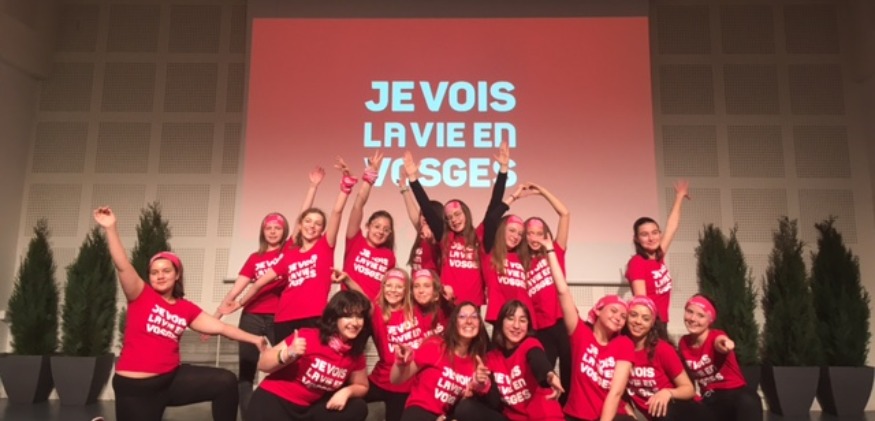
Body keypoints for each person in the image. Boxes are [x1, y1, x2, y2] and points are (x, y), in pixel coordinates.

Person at [93, 207, 267, 421]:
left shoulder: (185, 308)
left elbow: (221, 327)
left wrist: (255, 339)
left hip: (170, 380)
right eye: (154, 272)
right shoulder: (140, 294)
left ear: (177, 275)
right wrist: (110, 228)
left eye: (166, 271)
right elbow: (122, 266)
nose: (160, 276)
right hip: (137, 388)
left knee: (225, 382)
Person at [213, 167, 324, 413]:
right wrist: (215, 318)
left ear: (285, 231)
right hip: (251, 318)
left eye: (277, 228)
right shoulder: (254, 258)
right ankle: (249, 415)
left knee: (284, 365)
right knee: (247, 371)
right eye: (268, 228)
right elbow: (235, 292)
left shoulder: (290, 250)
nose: (273, 231)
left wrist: (313, 187)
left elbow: (302, 217)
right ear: (263, 232)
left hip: (278, 318)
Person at [222, 157, 353, 340]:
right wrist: (240, 303)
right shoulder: (290, 253)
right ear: (301, 224)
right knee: (282, 359)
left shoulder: (325, 246)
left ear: (322, 229)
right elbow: (259, 283)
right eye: (308, 221)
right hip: (284, 318)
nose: (312, 226)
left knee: (311, 357)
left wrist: (346, 186)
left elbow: (337, 212)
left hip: (314, 317)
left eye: (317, 223)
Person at [402, 142, 516, 306]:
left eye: (457, 214)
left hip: (472, 307)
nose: (454, 220)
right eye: (449, 218)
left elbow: (494, 202)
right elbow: (426, 207)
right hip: (447, 304)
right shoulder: (445, 237)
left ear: (466, 214)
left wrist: (503, 169)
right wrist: (413, 178)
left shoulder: (479, 235)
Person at [535, 234, 635, 421]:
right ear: (598, 310)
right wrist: (550, 250)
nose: (618, 317)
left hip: (610, 417)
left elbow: (616, 392)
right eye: (613, 311)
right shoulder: (580, 334)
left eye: (623, 316)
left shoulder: (624, 343)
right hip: (576, 416)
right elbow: (562, 291)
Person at [245, 290, 372, 421]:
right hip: (274, 401)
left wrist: (346, 392)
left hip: (307, 409)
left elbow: (362, 386)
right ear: (335, 318)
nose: (355, 323)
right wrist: (288, 354)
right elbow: (263, 364)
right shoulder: (310, 336)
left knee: (358, 407)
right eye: (348, 316)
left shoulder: (355, 353)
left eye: (359, 317)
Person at [454, 300, 565, 421]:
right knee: (465, 408)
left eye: (522, 320)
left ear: (528, 325)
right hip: (513, 418)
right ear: (501, 322)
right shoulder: (491, 358)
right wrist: (482, 383)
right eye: (511, 319)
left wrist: (549, 375)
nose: (516, 325)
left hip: (544, 417)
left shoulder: (530, 344)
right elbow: (495, 403)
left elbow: (538, 360)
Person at [337, 267, 419, 421]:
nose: (393, 290)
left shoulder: (416, 312)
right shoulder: (377, 312)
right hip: (381, 380)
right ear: (383, 287)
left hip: (406, 386)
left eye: (399, 287)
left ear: (406, 290)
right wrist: (347, 280)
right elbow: (363, 298)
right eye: (389, 285)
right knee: (345, 403)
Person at [391, 301, 491, 421]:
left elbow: (463, 407)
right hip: (418, 413)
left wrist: (479, 384)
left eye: (474, 317)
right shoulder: (435, 346)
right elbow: (396, 380)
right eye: (462, 316)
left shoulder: (477, 362)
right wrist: (401, 363)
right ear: (454, 322)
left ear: (480, 324)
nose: (469, 321)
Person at [520, 182, 571, 402]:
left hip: (563, 323)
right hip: (539, 328)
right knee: (544, 380)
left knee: (570, 374)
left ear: (546, 235)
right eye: (530, 233)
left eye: (539, 233)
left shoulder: (555, 251)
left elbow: (565, 214)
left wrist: (542, 192)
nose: (534, 238)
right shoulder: (520, 263)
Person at [622, 297, 712, 421]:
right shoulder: (620, 350)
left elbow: (689, 389)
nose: (638, 321)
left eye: (645, 318)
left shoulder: (662, 349)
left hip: (684, 412)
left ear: (652, 323)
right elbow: (621, 395)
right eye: (633, 315)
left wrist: (668, 392)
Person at [679, 295, 762, 421]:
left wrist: (725, 344)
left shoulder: (715, 336)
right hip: (710, 398)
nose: (693, 318)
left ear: (709, 320)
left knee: (749, 400)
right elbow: (687, 377)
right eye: (690, 312)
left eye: (701, 315)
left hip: (734, 393)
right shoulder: (683, 343)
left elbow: (720, 341)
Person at [625, 180, 690, 323]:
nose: (651, 238)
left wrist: (679, 197)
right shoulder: (637, 263)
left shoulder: (658, 256)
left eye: (655, 233)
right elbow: (641, 302)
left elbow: (671, 226)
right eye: (644, 234)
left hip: (661, 322)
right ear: (636, 239)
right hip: (649, 323)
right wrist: (650, 326)